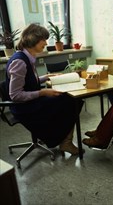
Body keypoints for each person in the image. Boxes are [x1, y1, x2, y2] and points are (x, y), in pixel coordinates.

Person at [5, 23, 84, 155]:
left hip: (30, 102)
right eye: (44, 40)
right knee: (72, 102)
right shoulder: (20, 61)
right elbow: (15, 95)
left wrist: (46, 77)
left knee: (68, 99)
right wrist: (42, 92)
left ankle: (60, 138)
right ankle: (65, 142)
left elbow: (28, 81)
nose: (46, 43)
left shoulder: (27, 57)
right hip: (23, 107)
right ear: (33, 39)